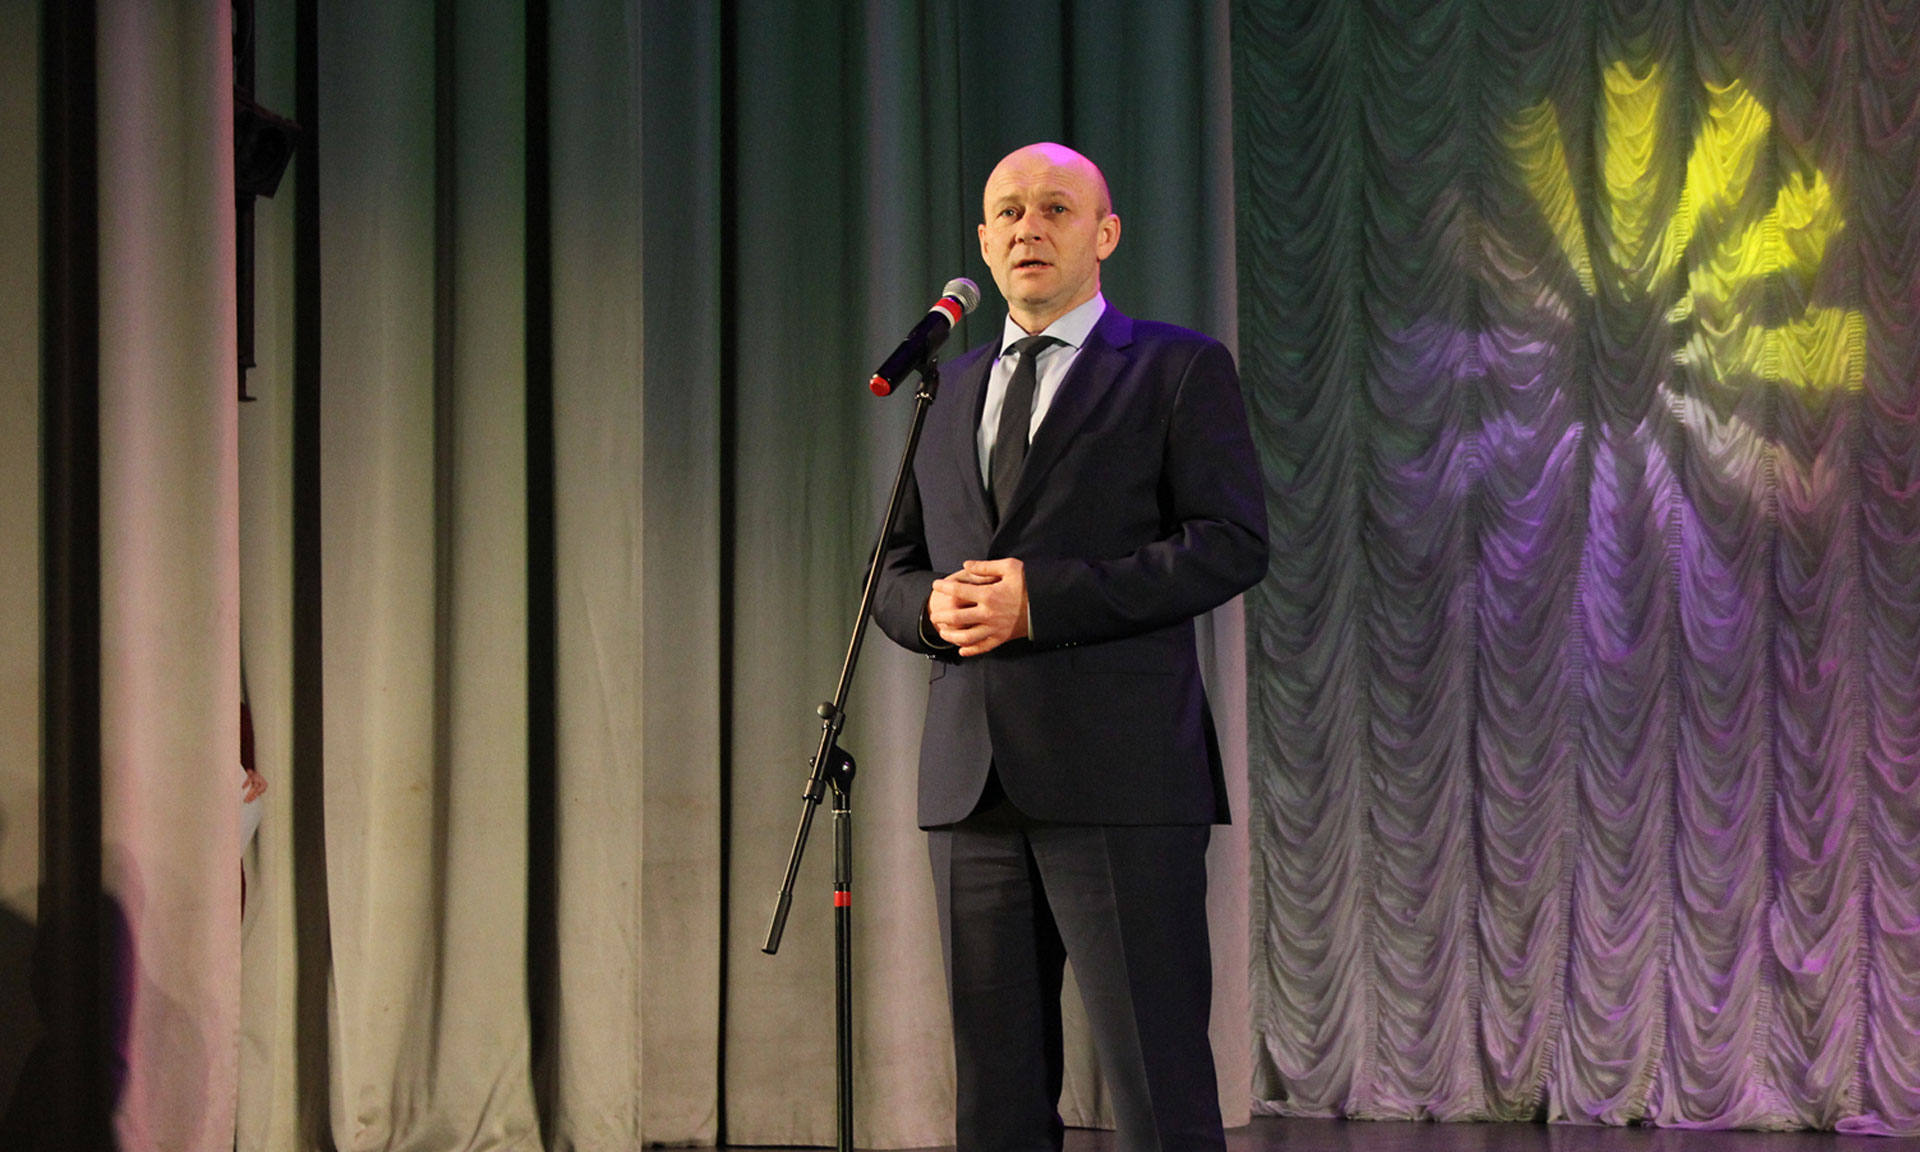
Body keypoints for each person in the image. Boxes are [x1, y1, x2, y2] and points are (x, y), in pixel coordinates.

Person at [874, 143, 1269, 1152]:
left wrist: (1041, 603)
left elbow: (1231, 544)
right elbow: (892, 570)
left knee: (1156, 1087)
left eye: (1055, 208)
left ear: (1105, 234)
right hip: (973, 783)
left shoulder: (1177, 368)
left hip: (1122, 779)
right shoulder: (946, 388)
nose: (1028, 228)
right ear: (983, 242)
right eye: (1008, 212)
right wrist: (933, 611)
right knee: (995, 1101)